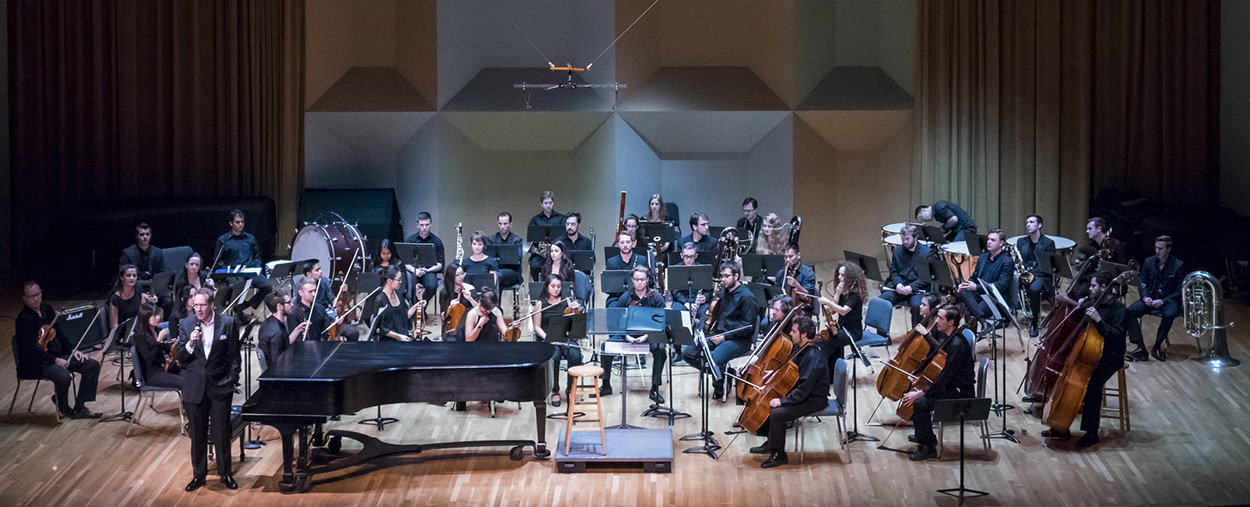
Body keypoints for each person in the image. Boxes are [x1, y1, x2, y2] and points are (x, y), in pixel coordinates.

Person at [1041, 272, 1128, 448]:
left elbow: (1117, 337)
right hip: (1089, 353)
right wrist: (1079, 308)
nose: (1090, 288)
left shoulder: (1120, 310)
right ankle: (1060, 426)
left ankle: (1091, 434)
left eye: (1094, 286)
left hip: (1110, 356)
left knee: (1092, 386)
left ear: (1104, 288)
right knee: (1064, 377)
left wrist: (1099, 320)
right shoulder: (1094, 301)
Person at [177, 288, 242, 491]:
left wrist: (231, 380)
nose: (198, 309)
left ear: (212, 305)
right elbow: (180, 358)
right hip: (194, 388)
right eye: (195, 305)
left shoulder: (227, 323)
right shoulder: (185, 325)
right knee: (197, 434)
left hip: (220, 387)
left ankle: (225, 474)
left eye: (202, 305)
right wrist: (189, 343)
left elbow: (234, 357)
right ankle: (199, 475)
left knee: (222, 432)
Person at [749, 317, 829, 468]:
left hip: (814, 399)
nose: (791, 334)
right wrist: (774, 374)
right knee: (769, 399)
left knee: (777, 413)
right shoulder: (800, 348)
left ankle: (779, 455)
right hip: (805, 394)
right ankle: (772, 444)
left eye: (794, 331)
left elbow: (803, 390)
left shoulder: (813, 356)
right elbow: (791, 371)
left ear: (804, 334)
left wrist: (782, 401)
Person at [14, 282, 102, 419]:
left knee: (91, 365)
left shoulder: (46, 309)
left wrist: (73, 350)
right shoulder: (23, 320)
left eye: (37, 294)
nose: (36, 299)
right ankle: (63, 406)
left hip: (57, 355)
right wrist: (55, 360)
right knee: (63, 376)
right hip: (37, 362)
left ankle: (80, 407)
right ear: (24, 298)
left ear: (41, 292)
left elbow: (60, 333)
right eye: (31, 296)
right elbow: (32, 351)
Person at [901, 305, 976, 461]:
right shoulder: (951, 337)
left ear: (951, 322)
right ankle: (923, 434)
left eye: (941, 318)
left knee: (920, 403)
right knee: (916, 392)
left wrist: (922, 392)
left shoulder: (957, 344)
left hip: (961, 395)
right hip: (952, 387)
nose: (936, 320)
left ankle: (929, 447)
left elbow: (946, 377)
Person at [682, 263, 759, 400]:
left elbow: (747, 327)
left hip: (738, 339)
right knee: (688, 353)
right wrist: (702, 330)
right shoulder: (722, 292)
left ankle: (719, 386)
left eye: (727, 276)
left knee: (715, 359)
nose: (723, 279)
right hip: (717, 334)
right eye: (722, 276)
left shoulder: (747, 297)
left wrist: (724, 337)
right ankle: (723, 374)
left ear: (736, 276)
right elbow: (710, 313)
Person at [601, 266, 668, 402]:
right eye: (636, 279)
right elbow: (618, 322)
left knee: (661, 350)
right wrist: (626, 336)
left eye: (642, 279)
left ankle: (654, 388)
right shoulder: (624, 298)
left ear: (647, 280)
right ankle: (606, 385)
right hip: (628, 335)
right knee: (605, 347)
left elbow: (661, 322)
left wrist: (647, 336)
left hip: (649, 335)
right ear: (632, 280)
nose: (639, 282)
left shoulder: (656, 298)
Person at [1127, 235, 1184, 362]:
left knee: (1169, 314)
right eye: (1156, 248)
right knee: (1130, 311)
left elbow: (1180, 291)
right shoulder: (1149, 261)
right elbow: (1142, 283)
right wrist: (1145, 296)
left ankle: (1157, 346)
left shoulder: (1178, 265)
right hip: (1151, 298)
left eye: (1161, 248)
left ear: (1168, 249)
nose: (1157, 251)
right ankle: (1141, 348)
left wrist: (1163, 301)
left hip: (1168, 300)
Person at [531, 275, 584, 407]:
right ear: (547, 287)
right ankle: (555, 391)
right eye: (553, 286)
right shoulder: (540, 304)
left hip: (565, 338)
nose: (556, 289)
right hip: (549, 339)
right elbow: (537, 327)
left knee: (575, 356)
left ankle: (570, 388)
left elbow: (575, 324)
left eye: (558, 286)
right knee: (554, 358)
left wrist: (574, 311)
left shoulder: (566, 302)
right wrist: (548, 338)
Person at [815, 262, 867, 374]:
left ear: (851, 277)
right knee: (825, 338)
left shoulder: (855, 295)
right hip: (842, 328)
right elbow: (833, 311)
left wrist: (827, 301)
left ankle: (822, 374)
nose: (839, 277)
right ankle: (831, 375)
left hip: (853, 332)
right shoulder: (843, 291)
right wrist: (837, 294)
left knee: (827, 343)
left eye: (842, 275)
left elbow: (843, 311)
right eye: (839, 274)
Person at [213, 209, 270, 307]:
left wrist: (255, 267)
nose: (241, 224)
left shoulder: (250, 238)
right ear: (231, 223)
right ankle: (239, 315)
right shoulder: (223, 240)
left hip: (249, 271)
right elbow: (218, 260)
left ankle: (246, 306)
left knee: (267, 286)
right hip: (233, 273)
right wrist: (227, 271)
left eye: (242, 222)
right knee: (239, 289)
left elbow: (257, 257)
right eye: (237, 222)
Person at [879, 224, 933, 326]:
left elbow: (926, 278)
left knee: (917, 306)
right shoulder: (897, 251)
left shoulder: (927, 253)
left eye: (907, 239)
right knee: (882, 301)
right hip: (899, 288)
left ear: (915, 238)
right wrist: (898, 284)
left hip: (916, 289)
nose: (904, 242)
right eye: (902, 239)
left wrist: (910, 287)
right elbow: (893, 272)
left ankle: (915, 337)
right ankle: (882, 337)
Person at [957, 229, 1013, 326]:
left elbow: (1000, 286)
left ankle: (982, 324)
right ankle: (984, 323)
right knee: (963, 291)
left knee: (969, 312)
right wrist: (965, 284)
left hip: (994, 297)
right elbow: (974, 277)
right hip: (980, 294)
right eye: (988, 239)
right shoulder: (982, 257)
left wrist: (976, 287)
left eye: (993, 240)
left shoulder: (1007, 262)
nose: (989, 242)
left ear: (1001, 243)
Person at [1016, 215, 1057, 337]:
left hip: (1041, 275)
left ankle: (1034, 322)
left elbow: (1046, 266)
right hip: (1025, 273)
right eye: (1027, 222)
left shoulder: (1049, 243)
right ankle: (1008, 315)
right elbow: (1019, 260)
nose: (1028, 224)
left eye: (1032, 222)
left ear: (1039, 225)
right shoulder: (1021, 241)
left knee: (1034, 288)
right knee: (1009, 280)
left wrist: (1030, 273)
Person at [301, 259, 358, 341]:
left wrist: (339, 300)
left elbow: (330, 297)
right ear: (309, 274)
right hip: (316, 320)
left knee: (353, 333)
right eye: (317, 270)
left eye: (320, 269)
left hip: (328, 317)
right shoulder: (304, 287)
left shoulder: (324, 280)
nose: (320, 271)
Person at [132, 302, 184, 389]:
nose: (158, 318)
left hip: (164, 367)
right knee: (185, 383)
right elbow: (149, 359)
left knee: (192, 378)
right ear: (145, 317)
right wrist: (158, 341)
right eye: (154, 316)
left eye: (158, 314)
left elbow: (167, 350)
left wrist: (174, 344)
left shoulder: (158, 329)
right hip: (152, 374)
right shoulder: (139, 336)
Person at [256, 291, 306, 370]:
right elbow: (279, 364)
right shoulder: (277, 333)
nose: (292, 304)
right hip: (278, 372)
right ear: (279, 306)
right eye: (289, 302)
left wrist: (298, 329)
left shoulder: (267, 323)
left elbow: (285, 343)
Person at [373, 266, 425, 342]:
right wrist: (399, 337)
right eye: (399, 279)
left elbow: (405, 316)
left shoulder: (399, 294)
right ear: (389, 280)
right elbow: (381, 329)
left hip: (403, 337)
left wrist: (417, 305)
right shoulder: (380, 300)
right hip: (389, 341)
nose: (401, 281)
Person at [403, 211, 445, 305]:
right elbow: (405, 262)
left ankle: (422, 306)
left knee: (432, 286)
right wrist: (415, 270)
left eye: (427, 224)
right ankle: (415, 307)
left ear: (431, 224)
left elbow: (440, 264)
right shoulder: (410, 240)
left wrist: (427, 270)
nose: (424, 228)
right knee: (409, 286)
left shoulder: (436, 241)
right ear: (417, 225)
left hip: (429, 271)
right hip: (413, 271)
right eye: (422, 225)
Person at [528, 191, 566, 281]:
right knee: (534, 265)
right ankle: (538, 288)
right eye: (545, 203)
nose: (548, 205)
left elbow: (564, 238)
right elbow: (532, 240)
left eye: (550, 203)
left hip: (557, 255)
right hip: (541, 255)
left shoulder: (562, 219)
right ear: (541, 204)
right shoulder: (535, 220)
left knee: (565, 265)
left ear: (553, 203)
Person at [109, 264, 158, 330]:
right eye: (128, 275)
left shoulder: (138, 291)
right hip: (125, 333)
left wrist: (152, 300)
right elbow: (114, 327)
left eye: (134, 275)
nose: (132, 278)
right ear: (122, 278)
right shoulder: (115, 299)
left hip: (138, 329)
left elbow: (143, 316)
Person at [773, 243, 816, 315]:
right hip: (783, 309)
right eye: (785, 257)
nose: (787, 260)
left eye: (790, 256)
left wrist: (796, 285)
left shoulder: (808, 273)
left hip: (801, 310)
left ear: (798, 255)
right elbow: (775, 292)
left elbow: (808, 296)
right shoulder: (781, 273)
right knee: (764, 323)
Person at [487, 212, 524, 288]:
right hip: (496, 272)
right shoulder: (491, 239)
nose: (502, 226)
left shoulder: (517, 240)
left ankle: (494, 300)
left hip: (513, 273)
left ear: (511, 224)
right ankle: (493, 300)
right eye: (500, 224)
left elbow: (517, 259)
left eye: (505, 224)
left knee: (496, 275)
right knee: (493, 276)